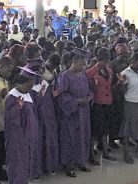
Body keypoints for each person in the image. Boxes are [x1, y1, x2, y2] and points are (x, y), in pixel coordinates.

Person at [56, 48, 92, 177]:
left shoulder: (83, 75)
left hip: (84, 112)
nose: (84, 67)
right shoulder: (64, 77)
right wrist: (77, 102)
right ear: (74, 62)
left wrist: (89, 97)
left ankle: (81, 161)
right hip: (71, 114)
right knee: (70, 138)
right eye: (82, 64)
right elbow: (62, 95)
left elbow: (89, 89)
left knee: (83, 137)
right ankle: (68, 165)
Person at [4, 67, 39, 184]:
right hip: (17, 137)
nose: (30, 88)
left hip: (27, 136)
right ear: (21, 83)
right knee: (17, 163)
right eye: (29, 85)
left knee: (25, 162)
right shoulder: (12, 97)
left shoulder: (28, 94)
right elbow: (9, 119)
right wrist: (17, 108)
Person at [86, 47, 116, 166]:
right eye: (103, 60)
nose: (105, 63)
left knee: (105, 130)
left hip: (108, 102)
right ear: (98, 59)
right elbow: (88, 88)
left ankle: (105, 152)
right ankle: (91, 154)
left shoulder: (109, 70)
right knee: (95, 130)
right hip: (97, 103)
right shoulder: (90, 72)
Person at [119, 52, 138, 164]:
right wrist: (121, 83)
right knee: (128, 127)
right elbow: (122, 91)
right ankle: (126, 153)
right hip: (130, 102)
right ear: (132, 62)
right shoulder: (125, 73)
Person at [0, 56, 15, 183]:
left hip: (3, 120)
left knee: (0, 151)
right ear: (1, 67)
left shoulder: (3, 80)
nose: (10, 73)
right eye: (8, 70)